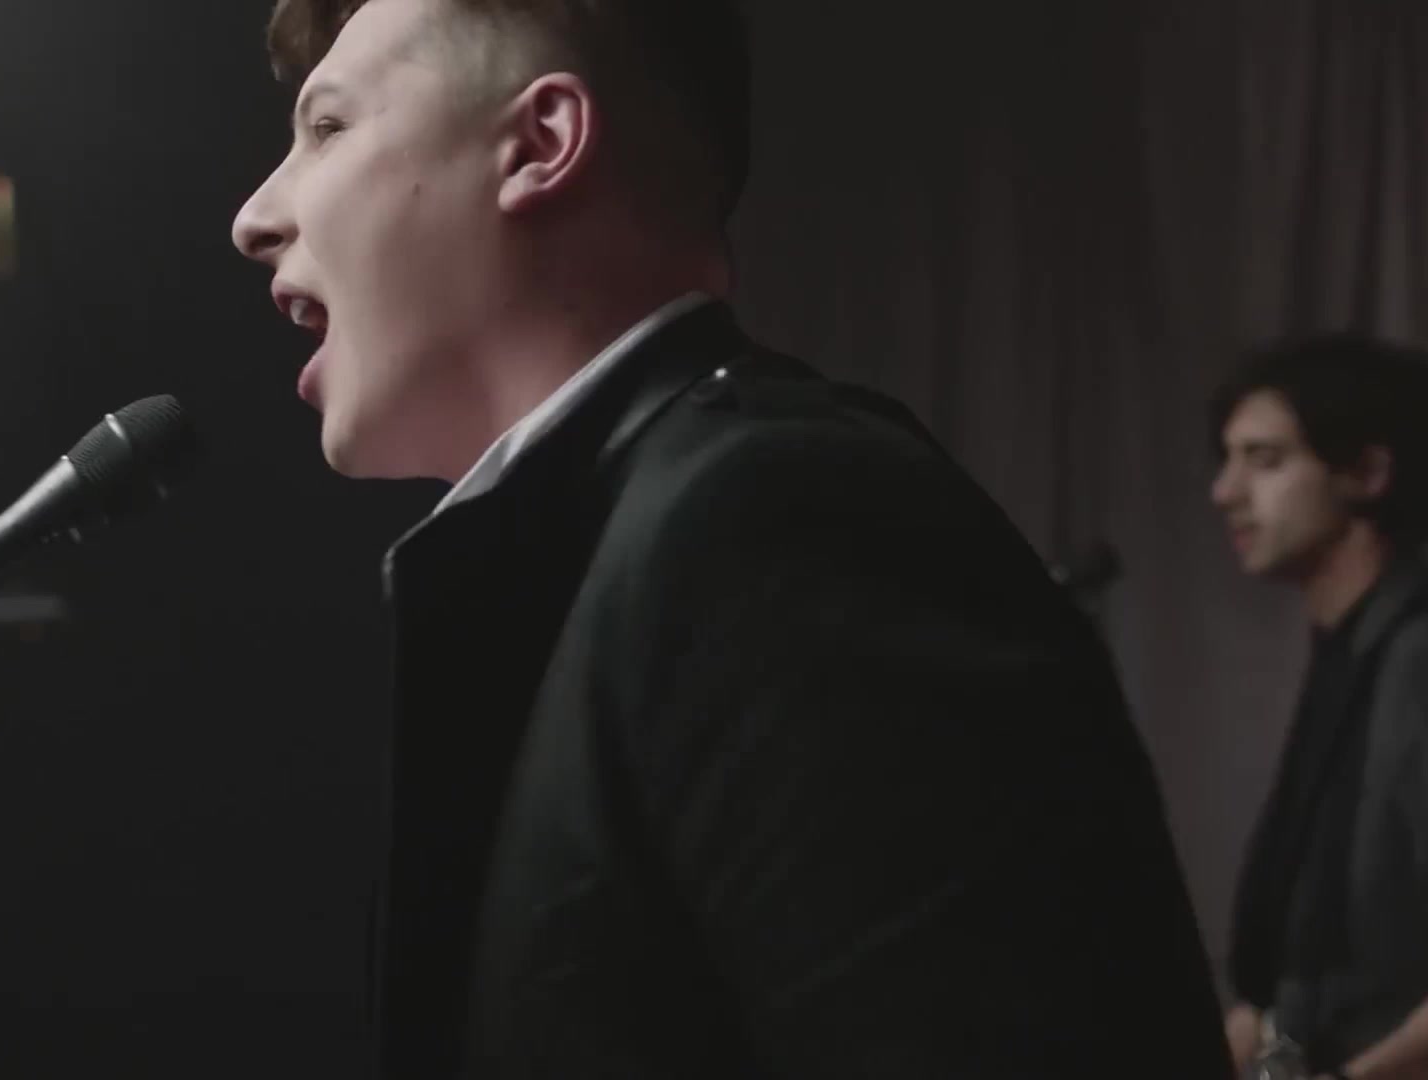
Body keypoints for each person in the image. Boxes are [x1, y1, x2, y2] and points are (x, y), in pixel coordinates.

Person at [231, 0, 1229, 1075]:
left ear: (539, 143)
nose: (254, 216)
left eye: (327, 127)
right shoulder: (614, 552)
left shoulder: (778, 517)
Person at [1211, 335, 1428, 1080]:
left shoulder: (1415, 656)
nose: (1224, 491)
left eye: (1265, 460)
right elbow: (1298, 979)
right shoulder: (1351, 653)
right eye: (1228, 459)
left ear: (1368, 473)